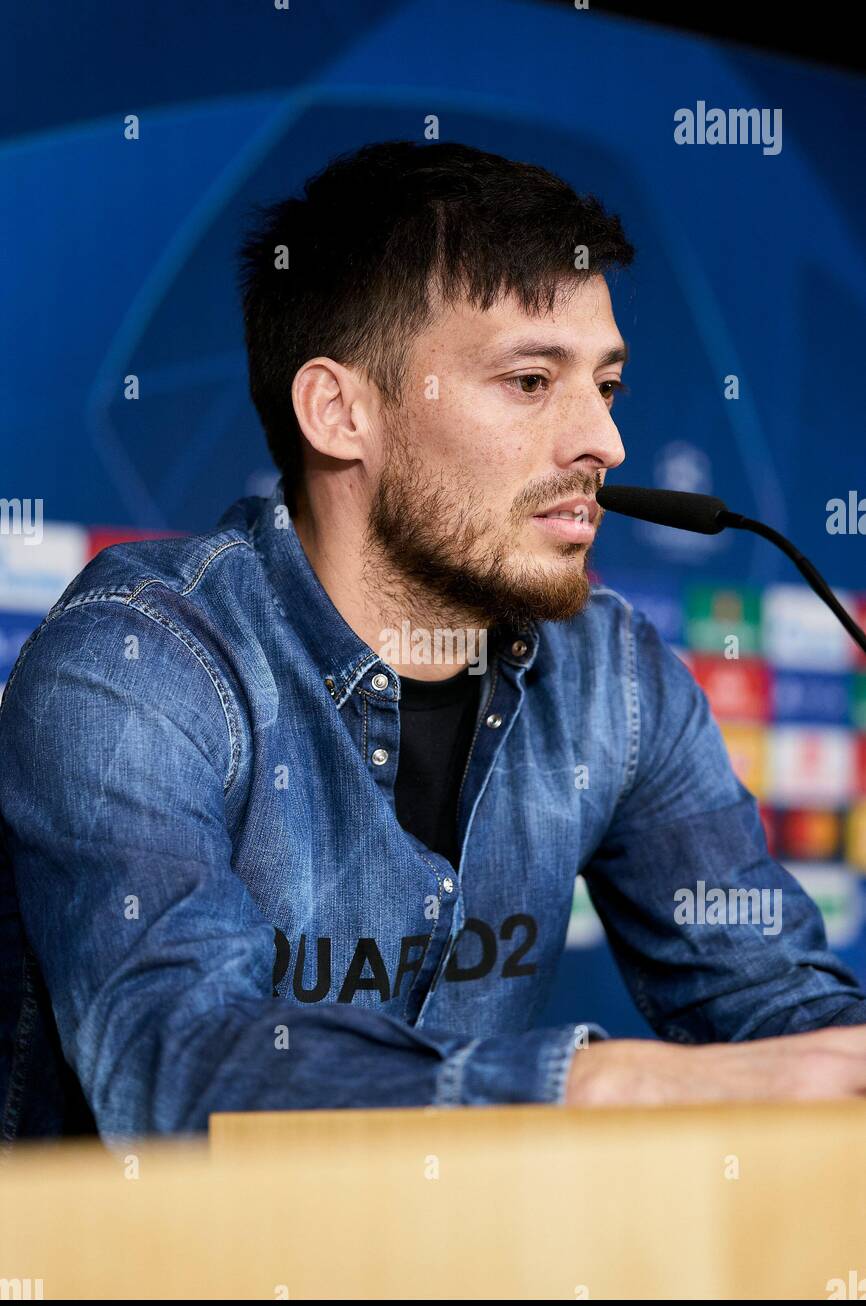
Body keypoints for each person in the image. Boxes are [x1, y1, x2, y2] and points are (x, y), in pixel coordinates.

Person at [2, 140, 866, 1141]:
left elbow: (783, 1011)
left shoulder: (613, 674)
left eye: (607, 385)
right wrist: (609, 1085)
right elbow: (185, 1069)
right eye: (532, 380)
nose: (603, 443)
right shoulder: (136, 661)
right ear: (340, 412)